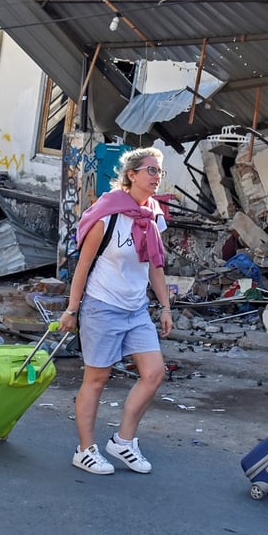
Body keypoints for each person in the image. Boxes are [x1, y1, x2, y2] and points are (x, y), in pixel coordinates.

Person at [58, 147, 173, 475]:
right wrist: (72, 309)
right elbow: (82, 266)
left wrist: (165, 307)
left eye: (159, 171)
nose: (156, 177)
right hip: (102, 307)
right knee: (97, 378)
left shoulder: (153, 216)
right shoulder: (107, 215)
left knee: (153, 374)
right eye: (151, 170)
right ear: (132, 174)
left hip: (136, 310)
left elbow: (155, 266)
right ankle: (84, 450)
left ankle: (123, 441)